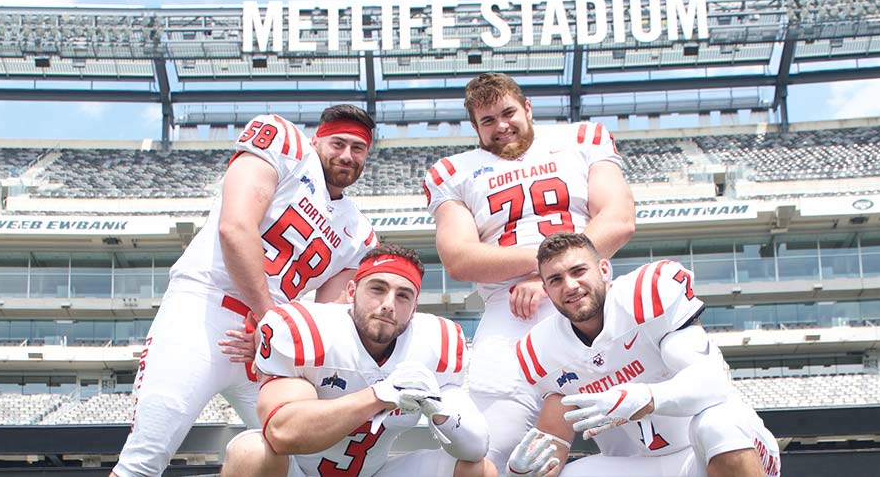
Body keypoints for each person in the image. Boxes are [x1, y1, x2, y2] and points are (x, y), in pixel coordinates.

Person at [113, 105, 382, 477]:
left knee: (304, 467)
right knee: (143, 461)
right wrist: (270, 320)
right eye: (339, 143)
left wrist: (278, 335)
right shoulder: (283, 143)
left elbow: (329, 319)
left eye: (359, 148)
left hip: (268, 342)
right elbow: (235, 228)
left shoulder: (359, 232)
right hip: (205, 311)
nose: (347, 156)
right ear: (316, 138)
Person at [426, 72, 637, 468]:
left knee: (637, 440)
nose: (501, 127)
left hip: (591, 303)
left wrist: (552, 278)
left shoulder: (582, 138)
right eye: (488, 121)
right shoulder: (451, 171)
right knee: (487, 447)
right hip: (511, 313)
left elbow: (619, 219)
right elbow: (457, 257)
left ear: (527, 108)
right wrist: (547, 269)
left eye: (508, 113)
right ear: (475, 128)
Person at [500, 232, 780, 477]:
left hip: (718, 449)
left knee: (717, 425)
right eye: (556, 279)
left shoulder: (647, 297)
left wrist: (643, 398)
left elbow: (713, 384)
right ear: (546, 290)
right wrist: (526, 473)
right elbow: (552, 444)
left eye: (578, 271)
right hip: (649, 463)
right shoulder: (543, 348)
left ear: (604, 269)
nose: (570, 286)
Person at [221, 243, 495, 477]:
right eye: (377, 289)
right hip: (299, 471)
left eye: (403, 295)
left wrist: (439, 410)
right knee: (251, 453)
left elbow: (474, 447)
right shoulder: (309, 331)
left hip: (373, 470)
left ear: (414, 307)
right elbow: (282, 433)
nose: (389, 304)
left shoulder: (435, 344)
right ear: (351, 292)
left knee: (478, 470)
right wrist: (378, 396)